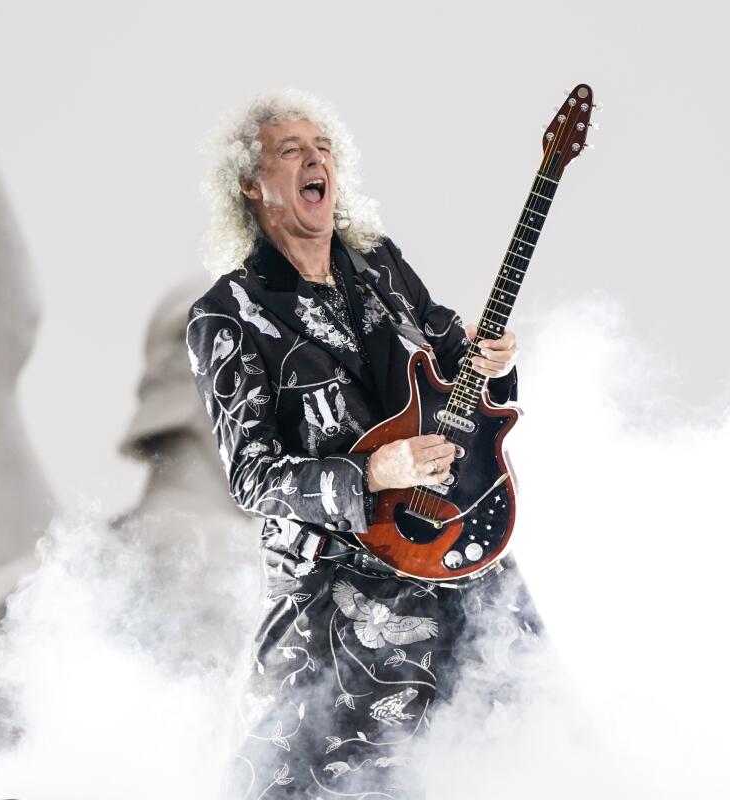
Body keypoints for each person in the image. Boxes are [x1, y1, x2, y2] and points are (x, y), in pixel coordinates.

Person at [187, 90, 541, 799]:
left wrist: (491, 362)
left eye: (323, 147)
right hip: (339, 602)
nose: (315, 158)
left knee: (521, 751)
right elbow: (253, 477)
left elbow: (451, 363)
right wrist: (369, 471)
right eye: (291, 150)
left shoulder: (379, 265)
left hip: (452, 553)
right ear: (252, 186)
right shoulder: (226, 316)